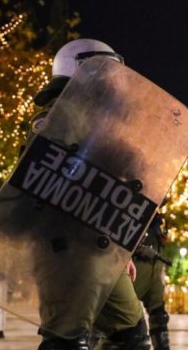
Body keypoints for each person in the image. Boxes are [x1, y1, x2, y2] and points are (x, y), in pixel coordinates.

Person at [30, 39, 150, 350]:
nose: (114, 82)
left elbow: (110, 183)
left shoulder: (97, 120)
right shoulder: (54, 122)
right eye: (107, 72)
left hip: (102, 248)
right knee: (66, 339)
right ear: (85, 70)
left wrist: (121, 249)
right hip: (64, 251)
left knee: (131, 333)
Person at [132, 214, 172, 350]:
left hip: (155, 267)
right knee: (124, 316)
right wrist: (136, 248)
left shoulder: (157, 217)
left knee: (159, 316)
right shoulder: (139, 206)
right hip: (136, 266)